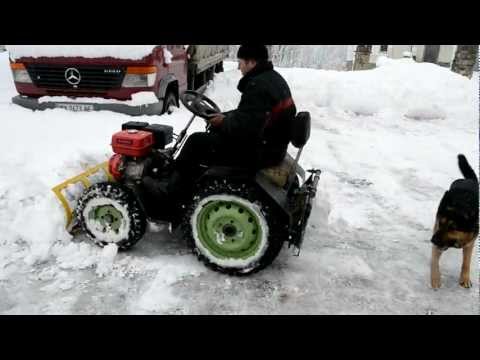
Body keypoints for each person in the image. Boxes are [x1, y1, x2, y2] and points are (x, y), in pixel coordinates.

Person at [143, 44, 297, 201]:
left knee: (196, 142)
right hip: (270, 145)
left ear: (251, 62)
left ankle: (172, 190)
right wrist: (224, 118)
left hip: (259, 151)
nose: (240, 67)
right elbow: (252, 116)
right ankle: (192, 180)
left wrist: (223, 123)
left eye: (241, 62)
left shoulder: (258, 86)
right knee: (211, 135)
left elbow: (246, 128)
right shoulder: (272, 79)